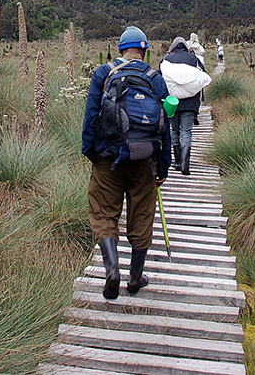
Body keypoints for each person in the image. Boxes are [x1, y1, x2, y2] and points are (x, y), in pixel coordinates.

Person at [82, 26, 172, 299]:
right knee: (142, 216)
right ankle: (135, 278)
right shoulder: (155, 78)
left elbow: (91, 117)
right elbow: (165, 125)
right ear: (144, 51)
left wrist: (93, 154)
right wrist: (163, 165)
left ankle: (112, 270)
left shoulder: (103, 73)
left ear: (120, 49)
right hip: (144, 160)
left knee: (104, 213)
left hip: (108, 159)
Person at [161, 37, 208, 175]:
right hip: (190, 103)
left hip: (172, 103)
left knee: (175, 131)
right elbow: (201, 78)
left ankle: (177, 162)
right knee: (186, 131)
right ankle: (185, 163)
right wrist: (200, 99)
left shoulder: (167, 59)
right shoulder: (194, 59)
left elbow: (160, 79)